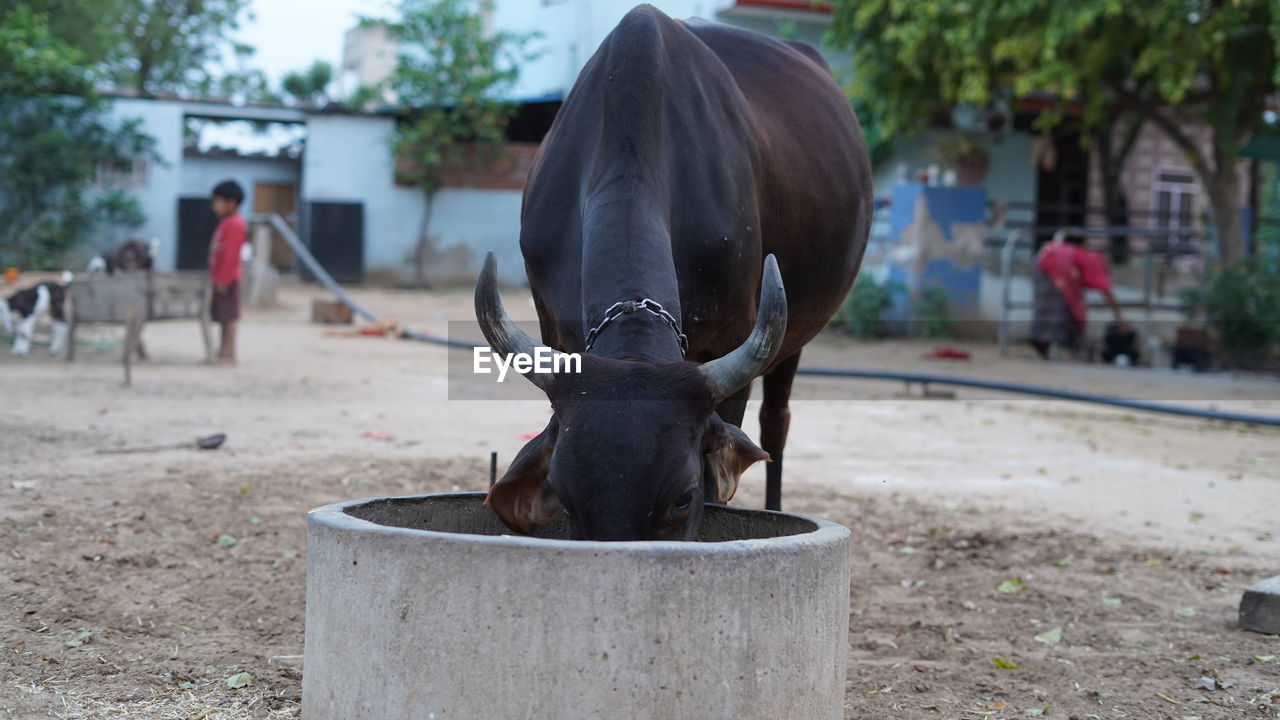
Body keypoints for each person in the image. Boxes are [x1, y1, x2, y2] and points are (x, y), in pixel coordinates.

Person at [1030, 230, 1126, 360]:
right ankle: (1073, 352)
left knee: (1047, 312)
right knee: (1070, 315)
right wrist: (1119, 317)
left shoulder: (1053, 250)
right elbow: (1105, 290)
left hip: (1044, 278)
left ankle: (1047, 350)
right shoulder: (1089, 258)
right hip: (1063, 290)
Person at [209, 180, 246, 364]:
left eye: (218, 202)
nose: (215, 207)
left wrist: (224, 280)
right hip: (220, 278)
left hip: (228, 280)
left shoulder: (235, 224)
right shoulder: (226, 223)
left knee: (229, 317)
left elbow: (231, 255)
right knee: (222, 317)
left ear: (231, 202)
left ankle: (229, 353)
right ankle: (223, 350)